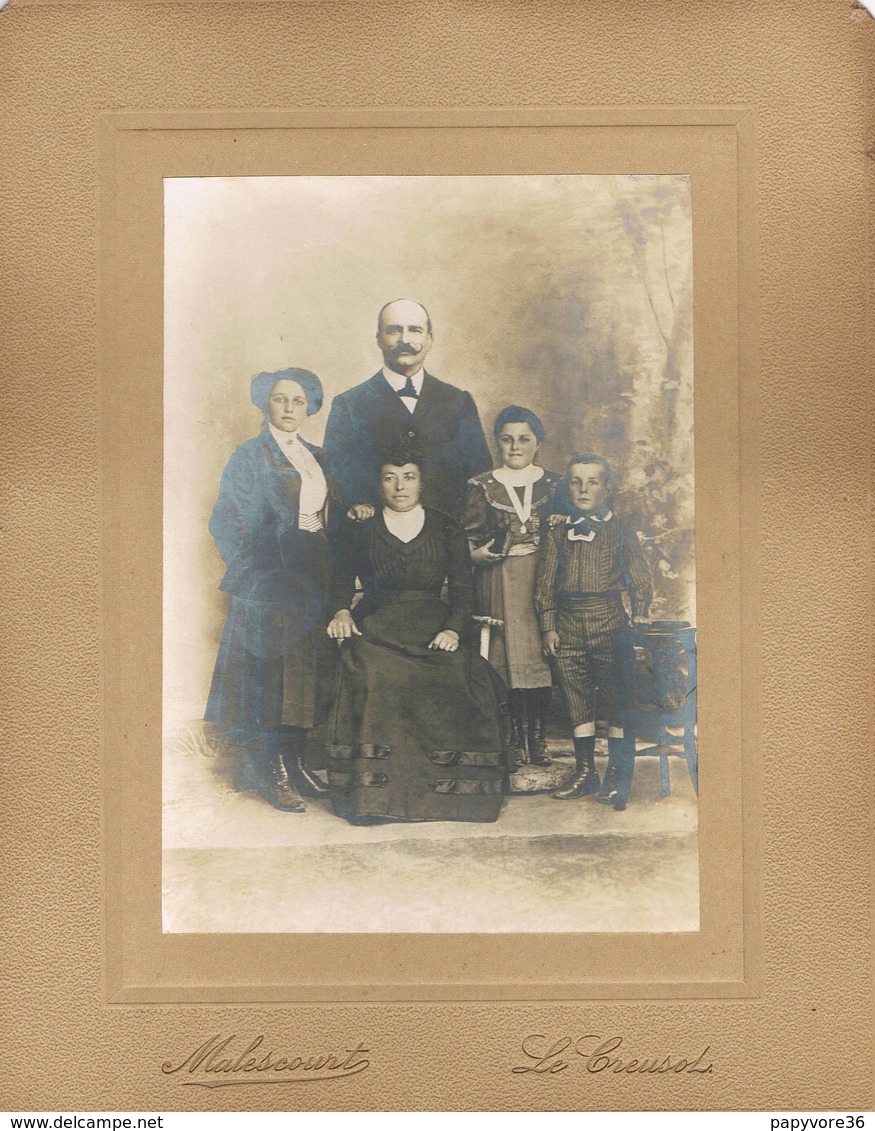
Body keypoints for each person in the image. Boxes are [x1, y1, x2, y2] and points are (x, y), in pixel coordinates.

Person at [325, 450, 507, 824]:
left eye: (408, 476)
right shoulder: (362, 527)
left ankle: (449, 797)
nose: (400, 485)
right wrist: (342, 609)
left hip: (432, 627)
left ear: (422, 482)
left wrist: (454, 630)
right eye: (390, 477)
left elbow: (462, 589)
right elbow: (341, 581)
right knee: (370, 674)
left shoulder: (445, 526)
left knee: (461, 675)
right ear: (379, 484)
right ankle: (376, 797)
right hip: (376, 627)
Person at [205, 368, 337, 812]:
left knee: (306, 669)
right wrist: (255, 571)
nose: (288, 409)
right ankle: (271, 771)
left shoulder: (316, 454)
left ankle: (296, 761)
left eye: (298, 401)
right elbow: (223, 521)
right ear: (266, 403)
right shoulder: (250, 455)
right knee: (274, 675)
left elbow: (324, 512)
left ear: (309, 406)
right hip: (272, 577)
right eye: (280, 400)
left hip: (313, 568)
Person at [534, 454, 653, 810]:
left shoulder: (622, 531)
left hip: (610, 622)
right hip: (568, 624)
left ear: (607, 489)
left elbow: (640, 578)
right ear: (567, 485)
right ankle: (586, 772)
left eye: (593, 481)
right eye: (576, 481)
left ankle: (617, 772)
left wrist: (641, 614)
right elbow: (544, 585)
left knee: (615, 699)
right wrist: (548, 626)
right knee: (576, 698)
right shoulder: (557, 533)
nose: (583, 488)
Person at [322, 298, 492, 518]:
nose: (404, 339)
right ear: (379, 339)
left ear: (430, 339)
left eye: (415, 330)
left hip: (446, 539)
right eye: (394, 331)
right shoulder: (349, 404)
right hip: (375, 540)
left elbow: (480, 474)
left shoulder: (459, 402)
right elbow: (337, 476)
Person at [462, 405, 563, 769]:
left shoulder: (555, 484)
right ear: (497, 443)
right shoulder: (482, 486)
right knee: (506, 661)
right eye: (507, 439)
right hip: (499, 578)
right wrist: (476, 555)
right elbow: (466, 539)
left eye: (524, 439)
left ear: (538, 443)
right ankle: (514, 738)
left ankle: (538, 737)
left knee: (539, 660)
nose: (515, 447)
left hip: (543, 580)